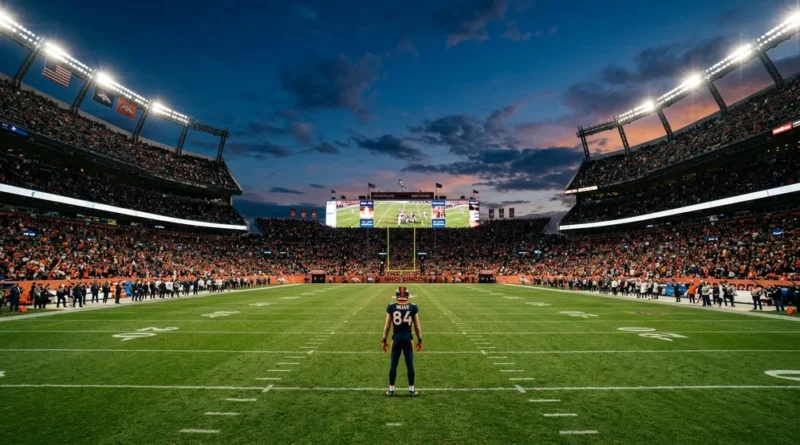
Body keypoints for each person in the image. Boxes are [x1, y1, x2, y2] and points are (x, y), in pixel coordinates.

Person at [381, 286, 422, 397]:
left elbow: (387, 326)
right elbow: (417, 327)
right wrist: (420, 340)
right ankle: (412, 390)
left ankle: (391, 390)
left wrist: (384, 340)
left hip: (396, 338)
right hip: (408, 338)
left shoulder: (391, 307)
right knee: (410, 365)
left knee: (393, 365)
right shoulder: (413, 307)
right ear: (407, 295)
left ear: (397, 295)